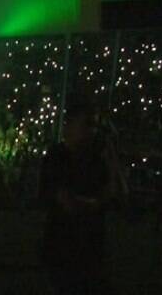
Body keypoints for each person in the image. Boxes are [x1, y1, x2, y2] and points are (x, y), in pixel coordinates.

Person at [41, 102, 119, 295]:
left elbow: (117, 193)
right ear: (70, 126)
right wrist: (96, 203)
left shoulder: (95, 158)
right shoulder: (57, 156)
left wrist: (111, 160)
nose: (91, 130)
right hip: (64, 249)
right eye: (86, 124)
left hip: (91, 251)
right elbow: (67, 202)